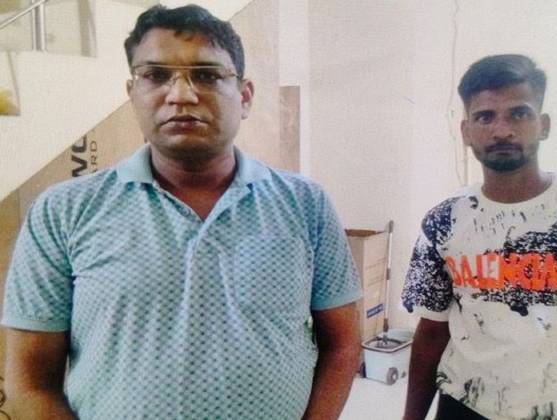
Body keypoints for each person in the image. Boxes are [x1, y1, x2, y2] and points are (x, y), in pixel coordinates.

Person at [1, 5, 362, 419]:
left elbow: (342, 346)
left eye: (206, 75)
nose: (181, 95)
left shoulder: (305, 204)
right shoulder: (63, 211)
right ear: (133, 93)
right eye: (156, 76)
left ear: (245, 96)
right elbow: (30, 383)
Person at [401, 54, 557, 420]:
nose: (502, 130)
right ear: (466, 132)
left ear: (544, 125)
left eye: (519, 113)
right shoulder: (444, 220)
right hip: (465, 407)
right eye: (485, 117)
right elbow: (431, 332)